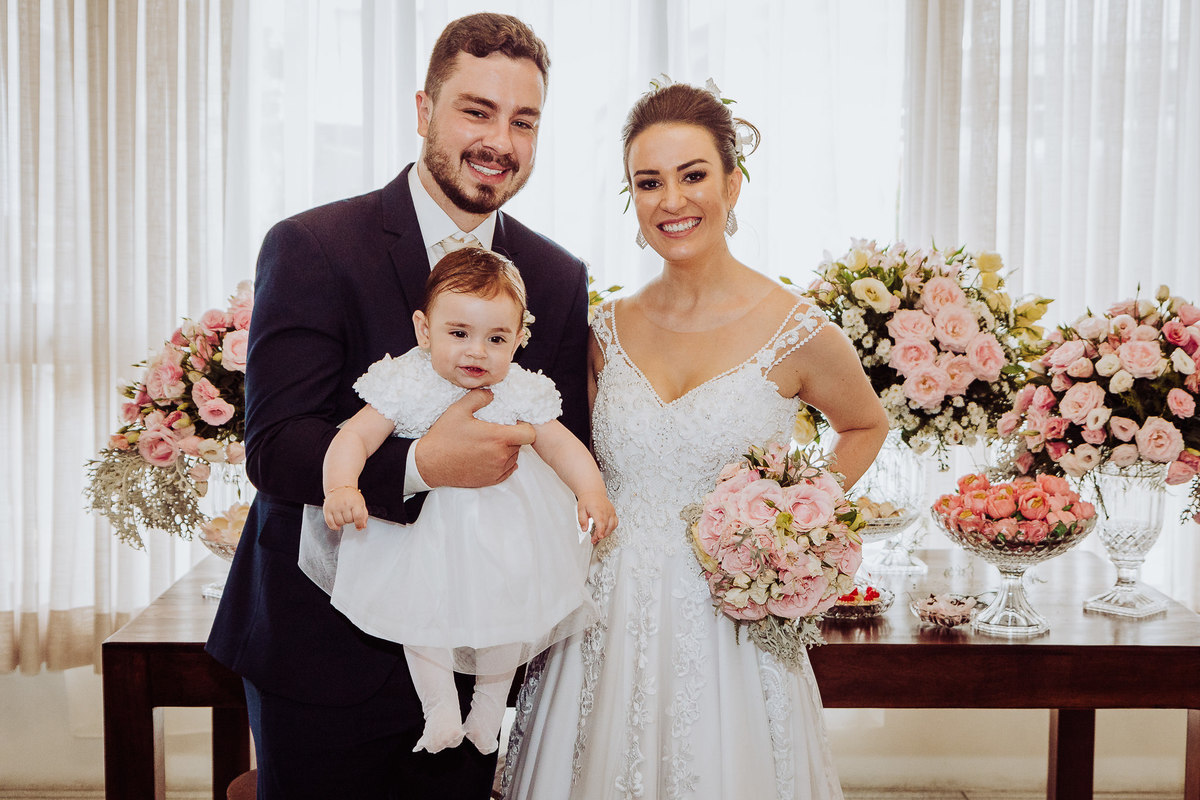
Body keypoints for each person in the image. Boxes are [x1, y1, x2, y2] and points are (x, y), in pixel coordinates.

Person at [205, 13, 593, 799]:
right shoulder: (313, 244)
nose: (500, 141)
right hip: (318, 653)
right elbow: (275, 446)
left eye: (524, 121)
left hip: (474, 653)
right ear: (424, 111)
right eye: (476, 111)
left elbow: (560, 451)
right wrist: (420, 464)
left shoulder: (555, 274)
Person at [502, 81, 890, 799]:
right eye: (649, 182)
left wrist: (790, 524)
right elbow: (567, 460)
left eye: (693, 175)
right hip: (605, 617)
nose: (671, 201)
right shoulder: (604, 330)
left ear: (733, 184)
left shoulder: (797, 330)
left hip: (731, 620)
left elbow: (866, 425)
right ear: (632, 199)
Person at [298, 248, 615, 757]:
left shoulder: (519, 388)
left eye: (496, 339)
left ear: (518, 340)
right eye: (458, 333)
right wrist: (341, 486)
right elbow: (353, 437)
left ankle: (489, 708)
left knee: (510, 609)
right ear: (425, 330)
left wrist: (590, 490)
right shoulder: (405, 381)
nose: (477, 352)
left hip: (507, 527)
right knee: (418, 610)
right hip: (422, 531)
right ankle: (440, 710)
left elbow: (559, 443)